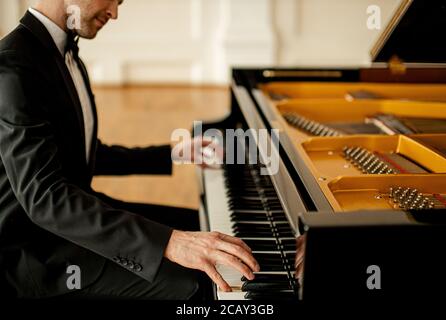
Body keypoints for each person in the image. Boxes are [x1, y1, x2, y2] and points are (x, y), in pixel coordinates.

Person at [0, 0, 259, 299]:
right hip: (35, 253)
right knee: (197, 283)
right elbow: (46, 199)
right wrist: (170, 243)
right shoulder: (13, 67)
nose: (114, 12)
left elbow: (79, 154)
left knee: (205, 225)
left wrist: (173, 153)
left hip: (72, 220)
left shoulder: (62, 52)